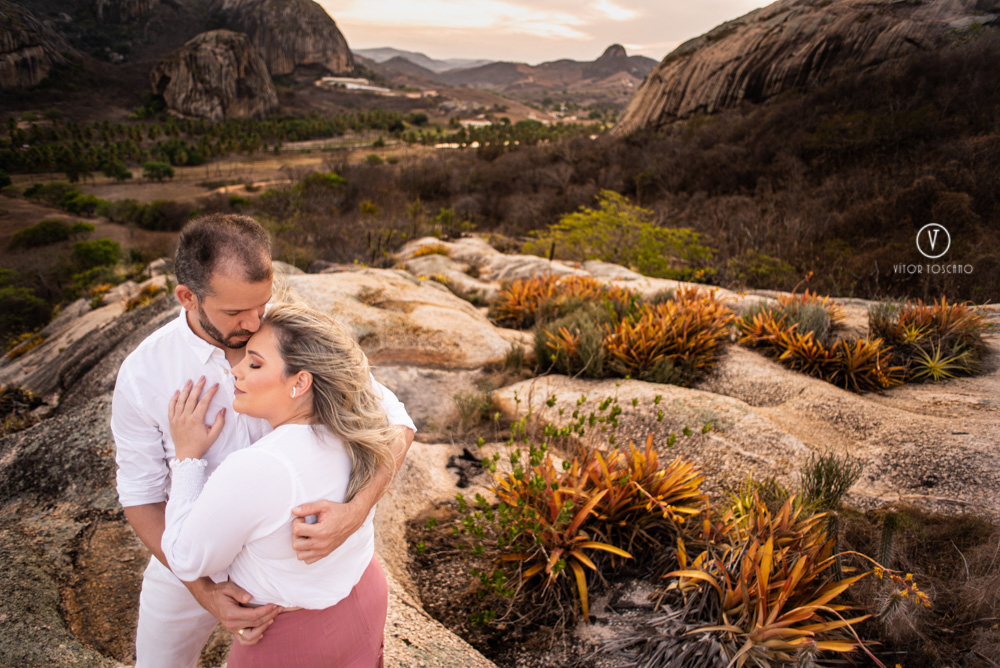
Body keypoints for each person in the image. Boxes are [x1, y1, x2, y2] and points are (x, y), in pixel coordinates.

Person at [111, 214, 415, 667]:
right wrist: (203, 590)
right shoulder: (145, 374)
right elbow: (140, 495)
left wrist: (354, 513)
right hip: (188, 555)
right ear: (188, 297)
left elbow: (395, 421)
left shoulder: (286, 332)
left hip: (281, 565)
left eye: (262, 303)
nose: (254, 321)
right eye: (235, 312)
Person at [162, 302, 395, 666]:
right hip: (365, 595)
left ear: (300, 382)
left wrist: (188, 457)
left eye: (254, 364)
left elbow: (185, 559)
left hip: (294, 640)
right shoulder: (355, 428)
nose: (235, 370)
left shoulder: (260, 467)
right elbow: (401, 425)